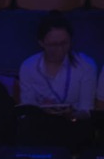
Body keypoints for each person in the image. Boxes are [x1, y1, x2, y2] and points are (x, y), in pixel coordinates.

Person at [16, 11, 97, 142]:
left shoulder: (85, 65)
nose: (59, 49)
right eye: (53, 45)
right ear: (41, 43)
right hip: (40, 125)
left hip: (74, 124)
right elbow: (28, 107)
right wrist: (41, 110)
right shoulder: (28, 66)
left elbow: (87, 110)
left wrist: (72, 114)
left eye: (64, 43)